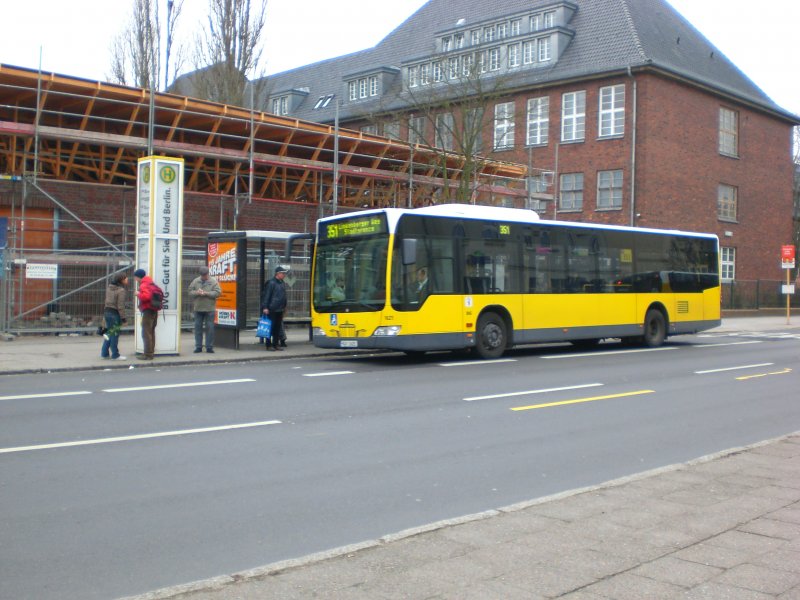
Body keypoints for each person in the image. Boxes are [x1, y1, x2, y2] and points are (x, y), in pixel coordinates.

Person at [188, 265, 221, 353]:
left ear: (207, 274)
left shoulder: (213, 281)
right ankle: (198, 347)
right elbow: (190, 292)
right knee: (198, 328)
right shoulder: (196, 281)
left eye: (205, 275)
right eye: (202, 276)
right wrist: (197, 292)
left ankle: (209, 347)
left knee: (210, 329)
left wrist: (207, 293)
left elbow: (218, 293)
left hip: (210, 308)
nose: (204, 277)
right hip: (198, 308)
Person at [100, 272, 128, 360]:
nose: (127, 279)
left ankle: (104, 354)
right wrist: (123, 319)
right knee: (114, 335)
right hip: (115, 314)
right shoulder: (121, 291)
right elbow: (120, 306)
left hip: (107, 312)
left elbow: (106, 301)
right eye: (126, 278)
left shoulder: (109, 288)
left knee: (109, 333)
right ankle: (115, 355)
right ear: (121, 280)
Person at [261, 265, 288, 351]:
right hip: (271, 309)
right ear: (278, 274)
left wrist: (284, 307)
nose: (284, 275)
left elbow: (283, 296)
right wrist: (265, 307)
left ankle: (275, 344)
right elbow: (266, 296)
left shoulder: (282, 283)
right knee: (270, 327)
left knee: (277, 328)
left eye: (284, 273)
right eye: (283, 273)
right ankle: (268, 345)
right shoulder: (271, 283)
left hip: (280, 309)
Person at [134, 268, 159, 360]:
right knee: (151, 331)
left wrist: (138, 294)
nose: (135, 279)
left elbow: (146, 296)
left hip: (148, 310)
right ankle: (151, 351)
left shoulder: (143, 285)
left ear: (138, 277)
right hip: (154, 309)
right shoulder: (151, 283)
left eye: (135, 277)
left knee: (146, 332)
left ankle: (148, 354)